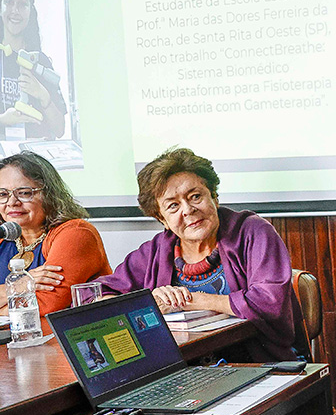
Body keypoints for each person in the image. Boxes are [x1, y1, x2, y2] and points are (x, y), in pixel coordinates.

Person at [97, 147, 298, 361]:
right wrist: (147, 303)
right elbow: (97, 295)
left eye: (195, 196)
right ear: (162, 219)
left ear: (214, 197)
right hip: (182, 373)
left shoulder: (253, 232)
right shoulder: (156, 251)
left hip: (261, 367)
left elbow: (269, 303)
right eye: (173, 206)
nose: (188, 209)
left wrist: (190, 300)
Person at [0, 151, 109, 315]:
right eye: (2, 194)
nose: (12, 202)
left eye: (24, 193)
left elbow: (48, 303)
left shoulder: (76, 233)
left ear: (49, 194)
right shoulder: (4, 238)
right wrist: (19, 285)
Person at [0, 0, 66, 139]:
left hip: (33, 161)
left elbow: (59, 130)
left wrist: (43, 95)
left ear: (31, 10)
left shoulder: (40, 61)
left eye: (23, 4)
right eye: (9, 1)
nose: (15, 10)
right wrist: (3, 120)